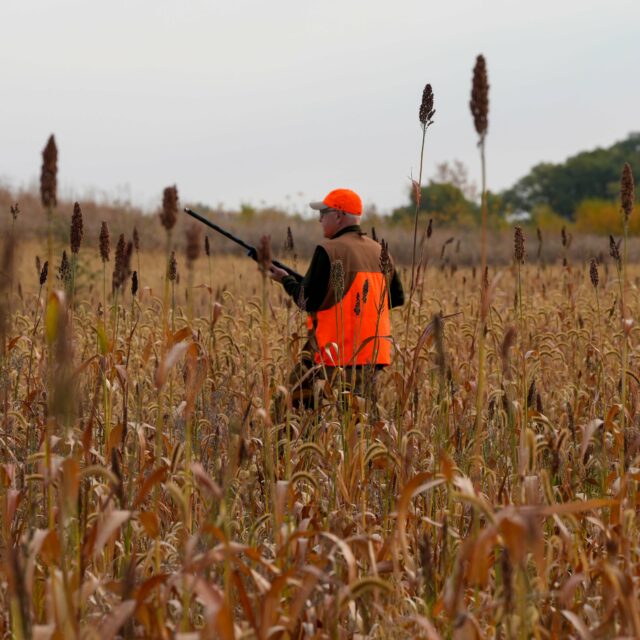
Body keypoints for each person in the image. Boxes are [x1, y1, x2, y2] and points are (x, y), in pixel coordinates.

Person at [269, 188, 404, 407]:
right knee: (358, 424)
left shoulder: (329, 249)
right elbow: (395, 298)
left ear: (339, 215)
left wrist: (285, 280)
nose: (320, 219)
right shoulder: (381, 251)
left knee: (289, 411)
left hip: (335, 352)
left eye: (324, 213)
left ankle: (283, 440)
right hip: (373, 355)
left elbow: (307, 300)